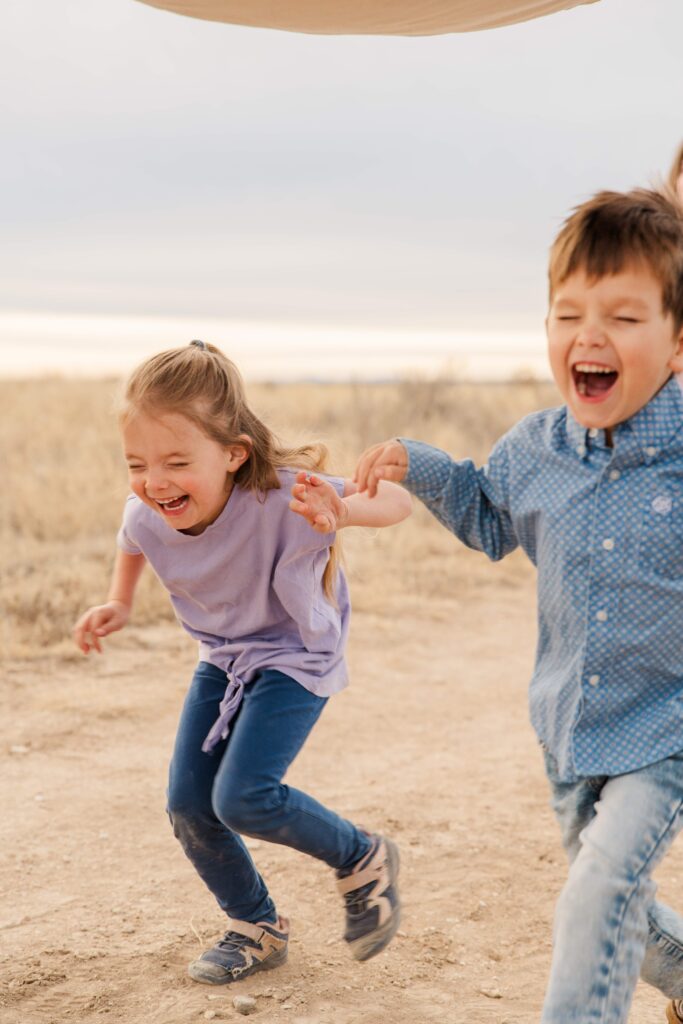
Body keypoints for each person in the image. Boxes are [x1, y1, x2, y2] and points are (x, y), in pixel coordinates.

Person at [342, 189, 683, 1023]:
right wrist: (417, 465)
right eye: (567, 314)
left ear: (678, 341)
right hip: (569, 729)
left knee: (595, 894)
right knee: (609, 903)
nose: (589, 334)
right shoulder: (533, 450)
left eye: (623, 317)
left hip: (666, 731)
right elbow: (487, 517)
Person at [72, 341, 411, 985]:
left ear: (234, 454)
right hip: (225, 658)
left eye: (177, 461)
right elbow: (131, 537)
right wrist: (118, 602)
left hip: (295, 655)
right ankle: (255, 926)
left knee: (243, 797)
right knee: (188, 804)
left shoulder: (283, 495)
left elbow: (396, 504)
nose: (155, 481)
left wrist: (344, 510)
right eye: (137, 463)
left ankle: (361, 854)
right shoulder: (147, 513)